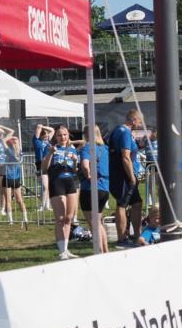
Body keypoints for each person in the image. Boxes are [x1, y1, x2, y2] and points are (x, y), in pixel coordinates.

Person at [42, 124, 82, 260]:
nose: (62, 137)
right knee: (60, 218)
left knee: (69, 218)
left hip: (70, 182)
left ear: (68, 135)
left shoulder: (72, 149)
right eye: (59, 135)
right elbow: (44, 168)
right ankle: (61, 251)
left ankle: (66, 249)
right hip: (57, 183)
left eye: (64, 134)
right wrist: (50, 153)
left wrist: (75, 162)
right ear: (56, 137)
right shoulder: (51, 148)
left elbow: (75, 170)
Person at [109, 110, 144, 247]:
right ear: (134, 120)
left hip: (123, 173)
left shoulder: (120, 130)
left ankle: (137, 234)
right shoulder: (124, 132)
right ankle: (122, 237)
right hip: (123, 175)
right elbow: (125, 156)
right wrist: (132, 177)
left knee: (137, 203)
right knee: (122, 204)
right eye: (140, 121)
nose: (140, 125)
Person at [79, 124, 110, 254]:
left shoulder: (87, 148)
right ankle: (105, 250)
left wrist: (88, 176)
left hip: (90, 188)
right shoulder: (105, 148)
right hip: (105, 187)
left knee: (93, 222)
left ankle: (99, 251)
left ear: (86, 135)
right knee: (98, 222)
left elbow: (85, 165)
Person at [2, 136, 28, 227]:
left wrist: (10, 136)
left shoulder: (10, 151)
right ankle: (25, 218)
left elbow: (3, 140)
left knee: (8, 200)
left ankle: (11, 220)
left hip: (8, 177)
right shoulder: (20, 152)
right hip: (16, 178)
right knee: (19, 200)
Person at [33, 124, 55, 211]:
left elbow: (52, 130)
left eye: (47, 136)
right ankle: (41, 205)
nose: (46, 137)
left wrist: (45, 129)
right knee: (44, 186)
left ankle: (47, 205)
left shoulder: (48, 141)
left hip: (49, 163)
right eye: (44, 136)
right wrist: (41, 127)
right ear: (41, 136)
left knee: (48, 186)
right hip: (40, 164)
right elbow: (38, 126)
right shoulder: (37, 141)